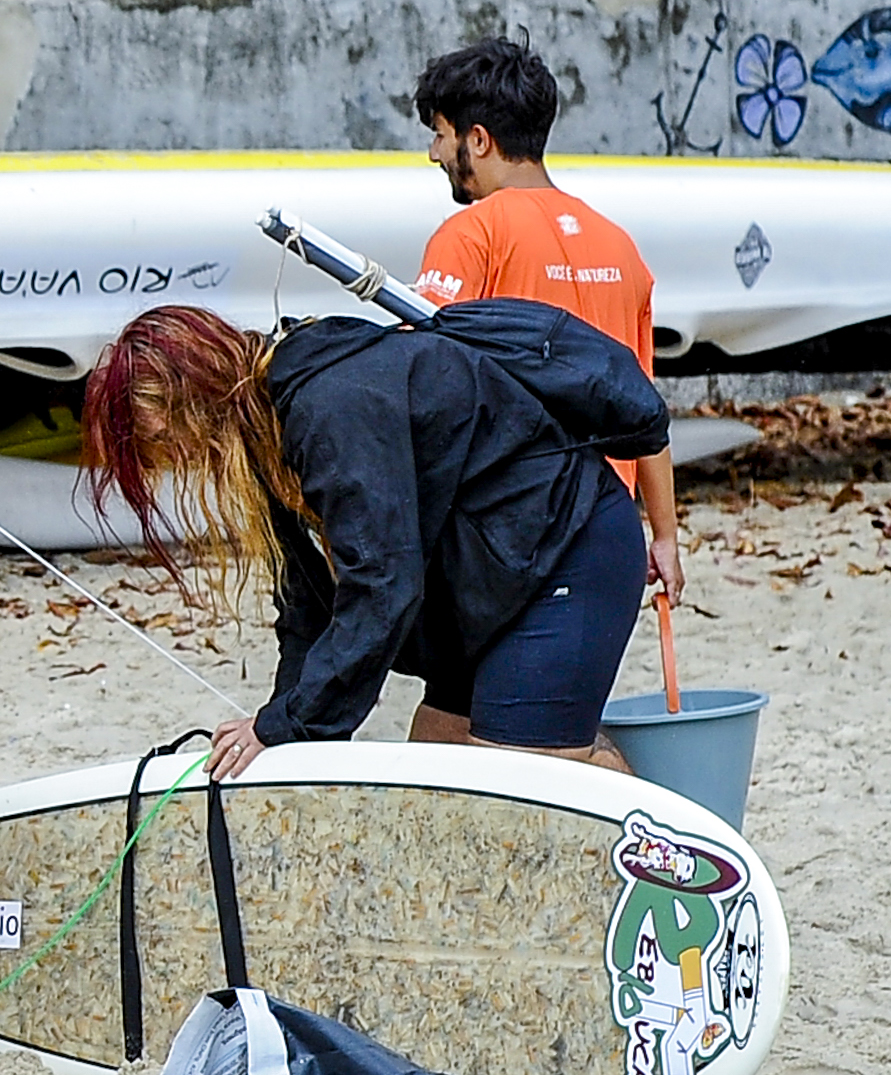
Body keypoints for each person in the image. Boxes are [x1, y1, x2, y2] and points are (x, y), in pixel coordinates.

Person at [81, 303, 643, 776]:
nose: (169, 459)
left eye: (160, 437)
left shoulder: (328, 407)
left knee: (514, 779)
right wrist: (281, 725)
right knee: (436, 772)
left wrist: (295, 725)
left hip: (569, 545)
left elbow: (382, 583)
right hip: (491, 574)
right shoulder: (262, 429)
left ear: (192, 398)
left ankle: (669, 856)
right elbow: (308, 606)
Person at [407, 35, 676, 745]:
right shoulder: (620, 245)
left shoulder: (470, 235)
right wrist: (667, 533)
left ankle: (673, 849)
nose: (434, 154)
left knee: (529, 771)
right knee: (437, 744)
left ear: (480, 138)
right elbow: (643, 408)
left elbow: (421, 385)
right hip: (587, 534)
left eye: (438, 135)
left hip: (530, 539)